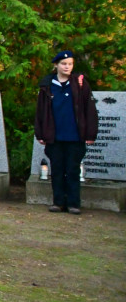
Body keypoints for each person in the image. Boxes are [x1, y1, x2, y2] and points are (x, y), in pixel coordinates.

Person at [34, 50, 98, 215]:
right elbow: (41, 111)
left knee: (72, 170)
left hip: (75, 136)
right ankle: (58, 202)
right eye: (63, 64)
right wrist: (40, 133)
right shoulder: (47, 85)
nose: (67, 67)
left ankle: (73, 203)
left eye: (70, 64)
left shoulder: (80, 84)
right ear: (56, 65)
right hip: (54, 136)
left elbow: (89, 109)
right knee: (57, 170)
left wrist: (90, 134)